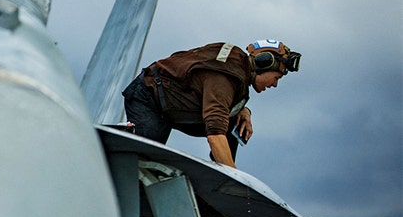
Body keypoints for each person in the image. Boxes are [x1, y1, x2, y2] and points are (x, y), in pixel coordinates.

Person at [122, 39, 301, 168]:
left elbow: (215, 96)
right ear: (263, 65)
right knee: (144, 164)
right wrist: (237, 181)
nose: (275, 84)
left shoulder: (237, 68)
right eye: (277, 77)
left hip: (171, 104)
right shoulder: (226, 75)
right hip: (147, 98)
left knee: (234, 123)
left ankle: (219, 173)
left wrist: (244, 110)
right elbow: (214, 135)